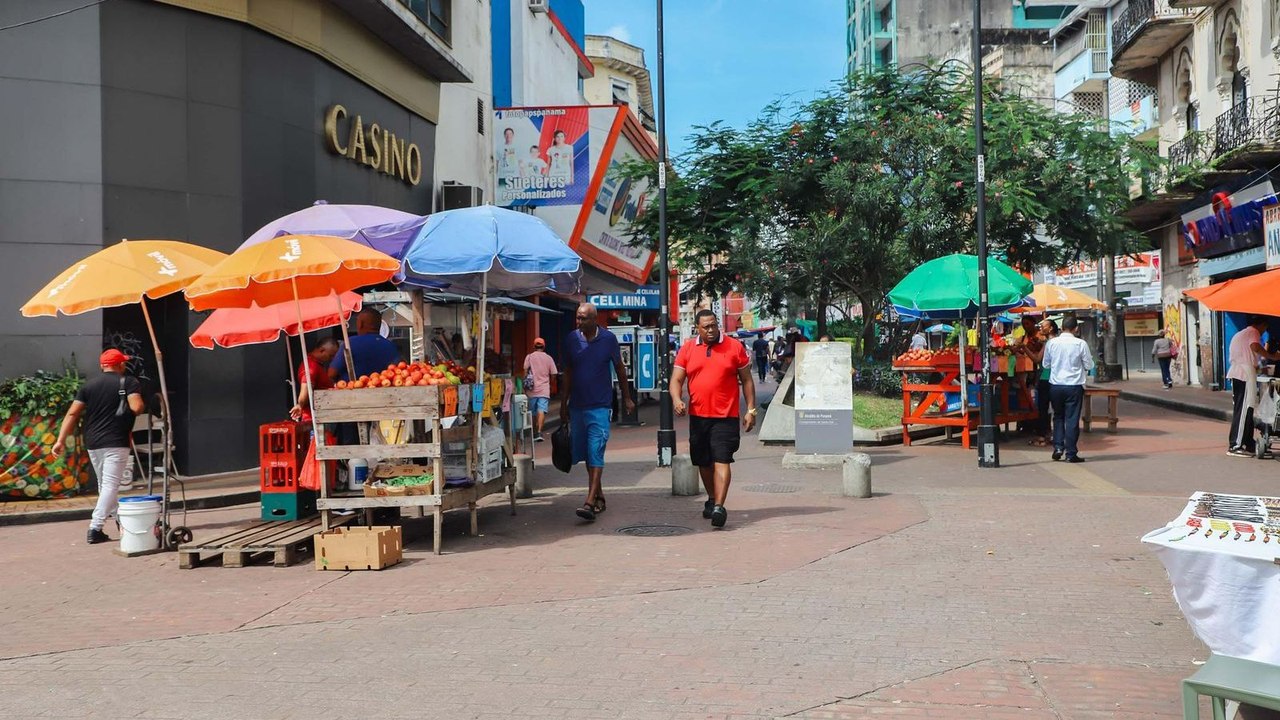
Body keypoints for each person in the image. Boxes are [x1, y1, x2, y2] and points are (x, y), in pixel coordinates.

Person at [671, 310, 757, 528]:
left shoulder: (734, 347)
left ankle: (719, 506)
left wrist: (751, 409)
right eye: (705, 327)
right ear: (697, 328)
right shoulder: (688, 348)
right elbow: (676, 379)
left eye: (713, 325)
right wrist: (676, 399)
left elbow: (746, 380)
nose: (710, 330)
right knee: (703, 461)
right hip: (698, 417)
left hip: (726, 416)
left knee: (722, 459)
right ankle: (711, 498)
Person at [51, 349, 145, 544]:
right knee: (110, 485)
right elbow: (136, 407)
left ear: (102, 366)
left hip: (93, 441)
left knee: (105, 486)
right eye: (124, 363)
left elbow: (72, 414)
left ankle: (121, 523)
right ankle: (95, 527)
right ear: (120, 365)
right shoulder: (128, 382)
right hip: (116, 440)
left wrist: (60, 440)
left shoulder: (89, 386)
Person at [560, 303, 633, 522]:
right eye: (577, 318)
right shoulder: (571, 339)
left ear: (594, 320)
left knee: (596, 450)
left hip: (600, 406)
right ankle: (599, 495)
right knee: (585, 454)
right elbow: (568, 372)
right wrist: (563, 404)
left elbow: (620, 369)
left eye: (583, 318)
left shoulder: (608, 339)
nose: (579, 322)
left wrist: (627, 396)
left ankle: (589, 502)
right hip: (577, 407)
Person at [1042, 316, 1094, 463]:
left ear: (1062, 327)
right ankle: (1071, 453)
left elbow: (1046, 364)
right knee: (1072, 419)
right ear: (1076, 328)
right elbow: (1089, 365)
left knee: (1058, 416)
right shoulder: (1080, 343)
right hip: (1074, 385)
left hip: (1056, 385)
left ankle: (1058, 447)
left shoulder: (1052, 343)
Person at [1226, 316, 1280, 457]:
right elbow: (1255, 347)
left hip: (1240, 373)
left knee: (1247, 409)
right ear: (1261, 324)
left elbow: (1247, 355)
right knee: (1244, 410)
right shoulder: (1253, 332)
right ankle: (1236, 445)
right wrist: (1271, 356)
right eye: (1265, 327)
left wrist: (1260, 368)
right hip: (1243, 375)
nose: (1264, 331)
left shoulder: (1241, 333)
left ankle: (1248, 443)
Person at [330, 308, 401, 382]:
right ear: (379, 326)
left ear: (360, 324)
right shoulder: (390, 346)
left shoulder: (350, 343)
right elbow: (398, 371)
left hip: (352, 390)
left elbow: (332, 373)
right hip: (383, 390)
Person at [290, 337, 339, 423]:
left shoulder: (317, 364)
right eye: (331, 355)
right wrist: (300, 405)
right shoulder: (311, 366)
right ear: (322, 350)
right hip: (314, 417)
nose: (331, 359)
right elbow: (306, 387)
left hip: (322, 414)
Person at [1029, 318, 1057, 447]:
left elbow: (1036, 359)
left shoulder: (1049, 343)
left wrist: (1024, 348)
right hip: (1057, 379)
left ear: (1050, 328)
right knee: (1056, 409)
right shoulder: (1056, 342)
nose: (1041, 328)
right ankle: (1054, 435)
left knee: (1043, 408)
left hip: (1046, 377)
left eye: (1044, 326)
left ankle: (1043, 435)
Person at [523, 337, 558, 440]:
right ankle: (539, 432)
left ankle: (534, 431)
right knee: (541, 410)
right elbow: (554, 374)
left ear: (534, 346)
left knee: (533, 412)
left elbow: (525, 371)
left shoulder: (529, 357)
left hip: (532, 389)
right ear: (544, 346)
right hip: (544, 389)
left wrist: (525, 385)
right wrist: (551, 384)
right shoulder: (549, 358)